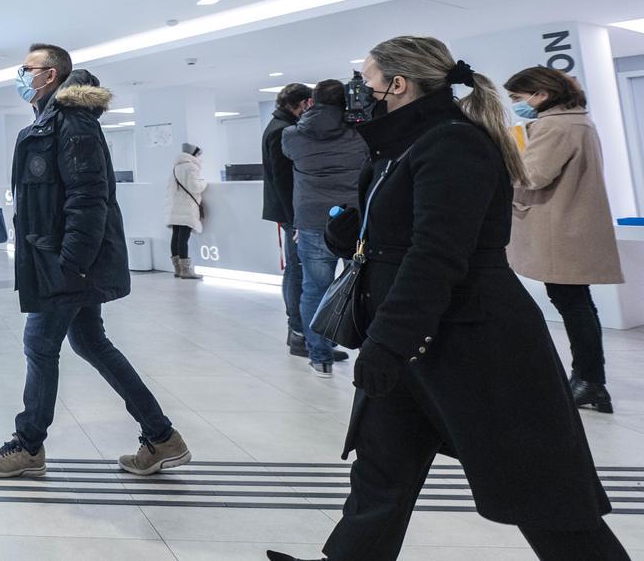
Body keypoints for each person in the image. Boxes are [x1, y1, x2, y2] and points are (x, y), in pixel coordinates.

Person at [268, 36, 627, 561]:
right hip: (413, 334)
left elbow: (438, 255)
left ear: (399, 83)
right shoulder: (401, 145)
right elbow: (391, 232)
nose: (357, 92)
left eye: (365, 80)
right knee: (382, 465)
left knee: (537, 487)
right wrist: (350, 232)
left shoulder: (452, 143)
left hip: (473, 341)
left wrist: (389, 342)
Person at [0, 43, 191, 478]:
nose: (20, 76)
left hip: (66, 263)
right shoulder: (50, 121)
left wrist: (70, 262)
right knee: (90, 342)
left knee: (40, 344)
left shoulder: (72, 124)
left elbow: (88, 198)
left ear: (50, 75)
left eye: (26, 69)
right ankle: (162, 437)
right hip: (60, 259)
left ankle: (28, 445)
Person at [504, 66, 624, 413]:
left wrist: (505, 158)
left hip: (561, 225)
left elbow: (534, 175)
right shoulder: (577, 120)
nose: (517, 104)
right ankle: (589, 378)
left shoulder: (555, 125)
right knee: (577, 302)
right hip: (572, 222)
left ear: (540, 94)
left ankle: (589, 381)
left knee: (572, 303)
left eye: (518, 97)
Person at [281, 79, 366, 377]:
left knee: (314, 289)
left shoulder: (291, 136)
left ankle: (320, 356)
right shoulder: (360, 132)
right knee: (363, 286)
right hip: (355, 220)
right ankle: (367, 349)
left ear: (312, 102)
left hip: (312, 221)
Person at [263, 84, 312, 357]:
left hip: (289, 212)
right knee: (296, 270)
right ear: (303, 103)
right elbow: (283, 179)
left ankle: (299, 332)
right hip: (292, 213)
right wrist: (295, 219)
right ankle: (298, 332)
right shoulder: (282, 130)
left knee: (296, 269)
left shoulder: (278, 125)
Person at [165, 142, 207, 280]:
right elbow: (195, 187)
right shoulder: (191, 167)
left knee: (176, 236)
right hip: (187, 207)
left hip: (176, 206)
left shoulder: (175, 167)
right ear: (193, 154)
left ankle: (177, 269)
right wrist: (204, 182)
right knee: (184, 238)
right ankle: (186, 271)